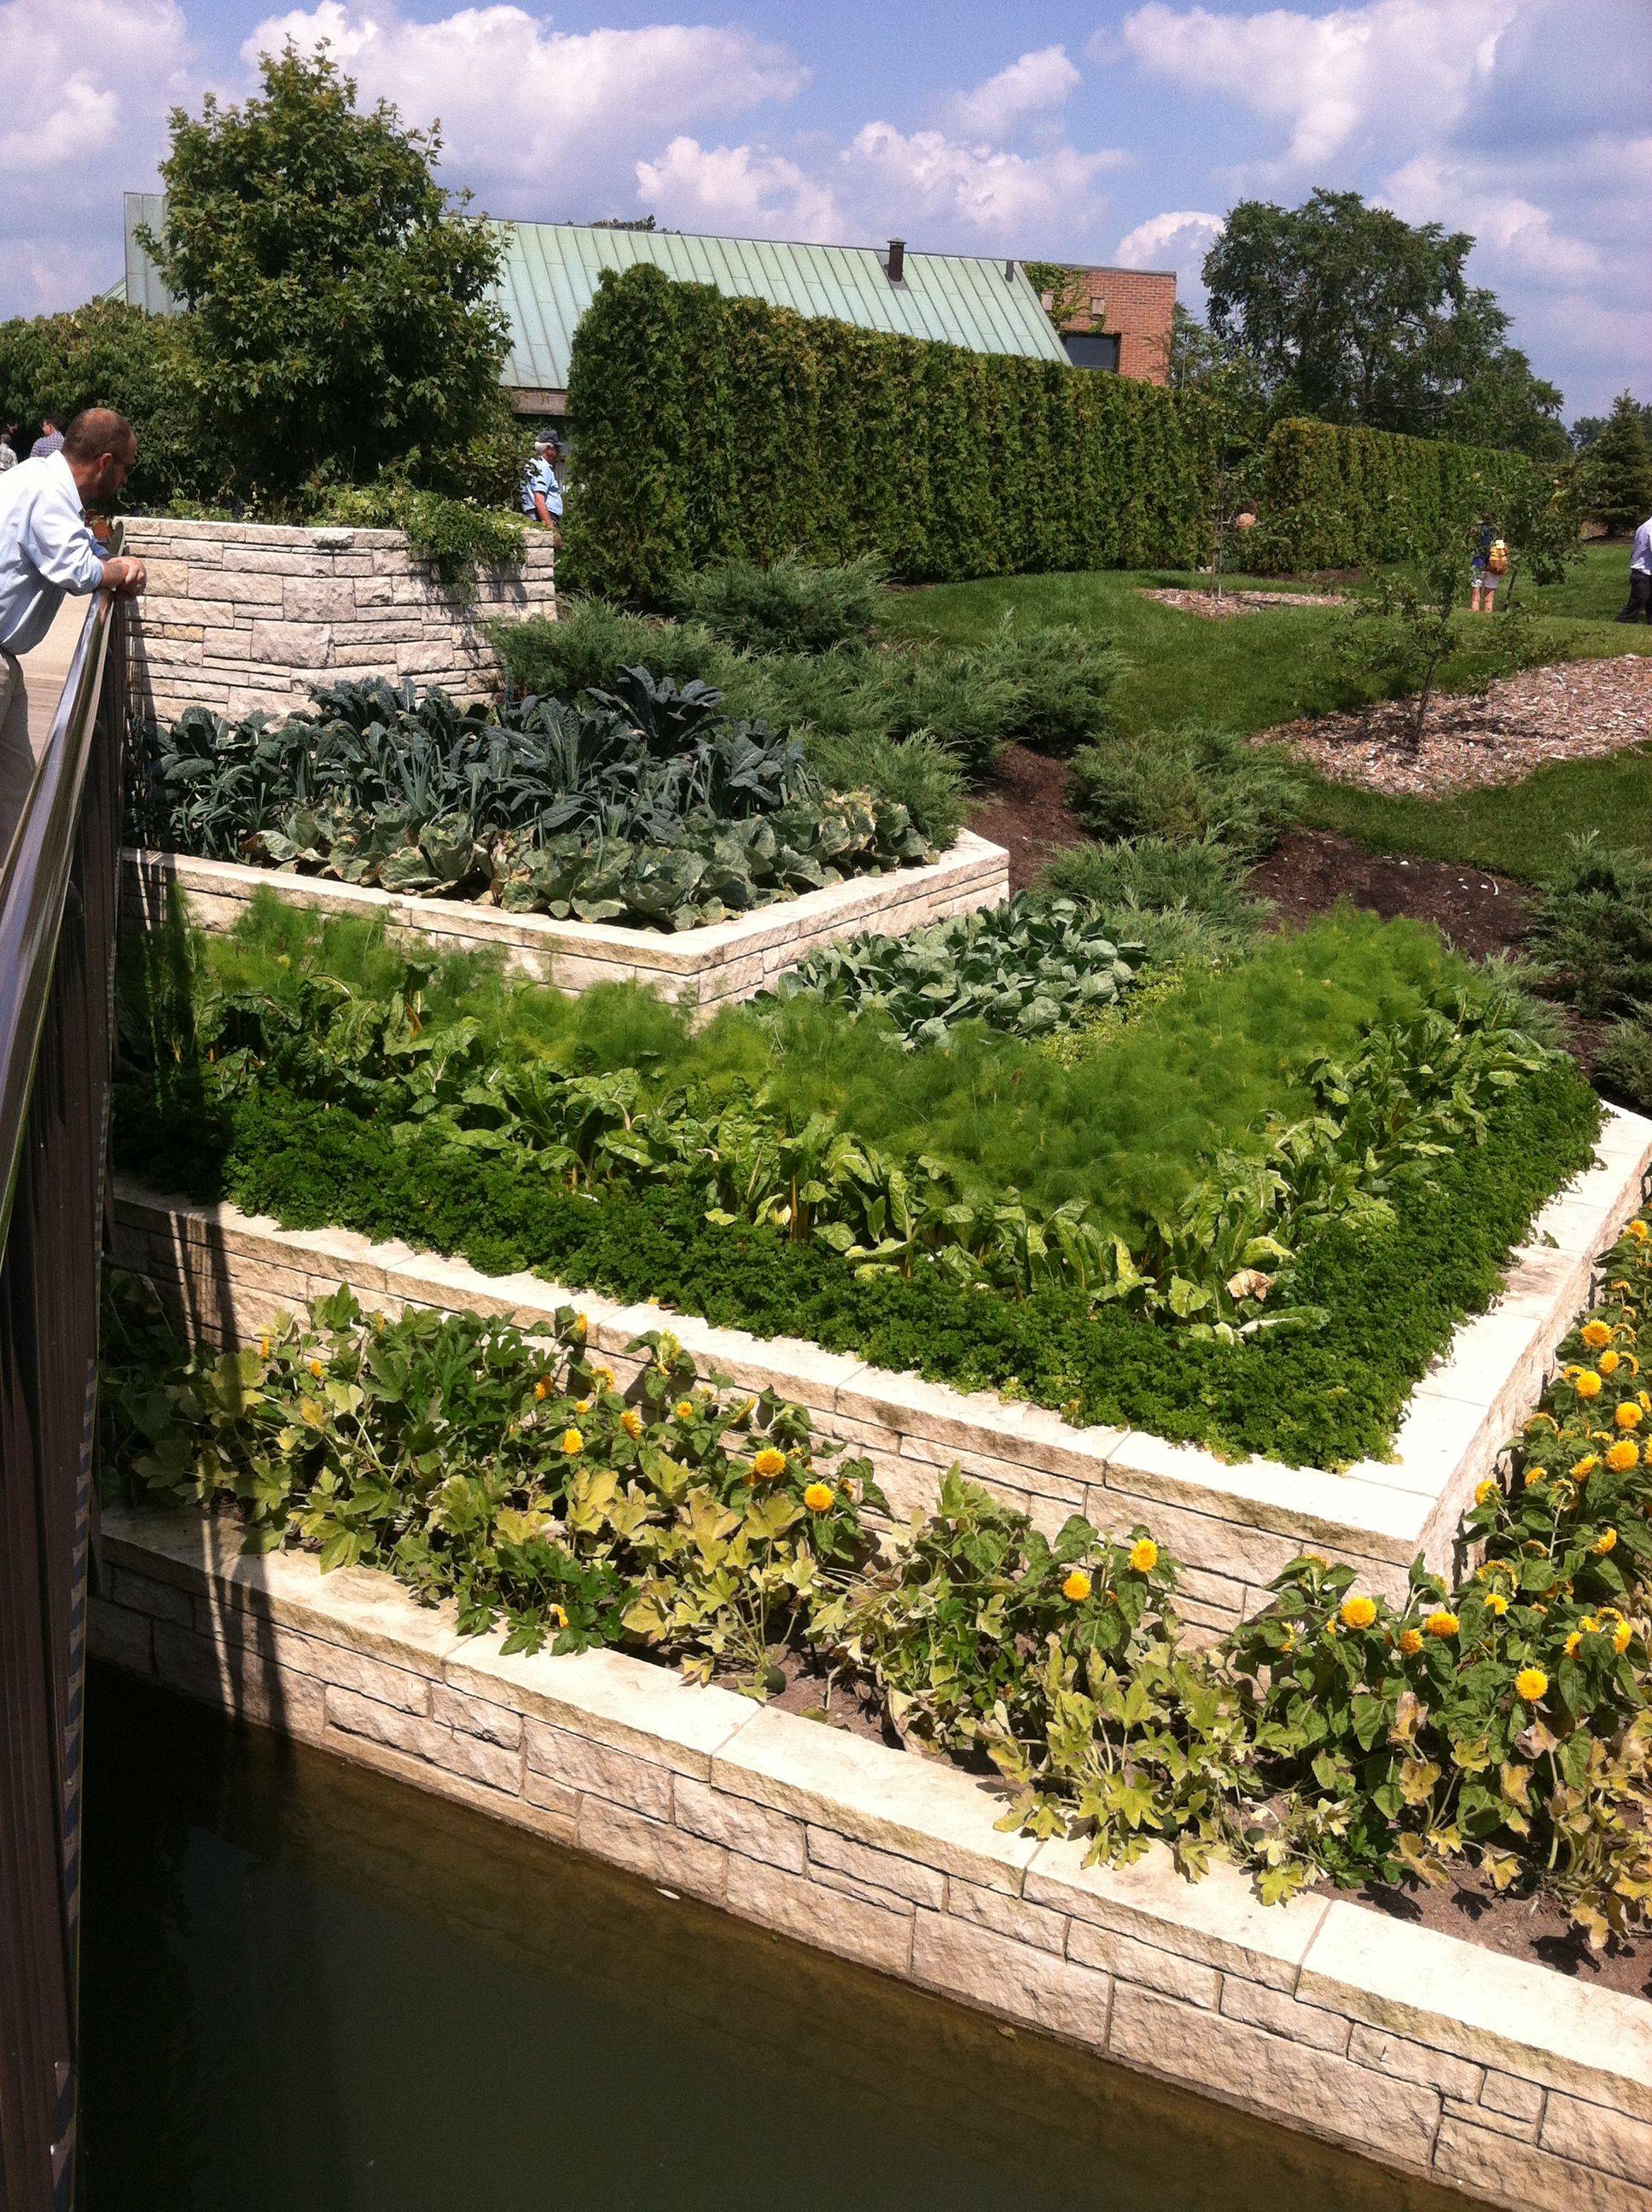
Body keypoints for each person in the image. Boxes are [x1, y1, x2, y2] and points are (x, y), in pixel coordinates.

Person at [1, 407, 147, 847]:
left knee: (17, 792)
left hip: (6, 662)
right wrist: (120, 570)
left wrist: (109, 565)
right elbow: (77, 570)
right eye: (126, 469)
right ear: (105, 463)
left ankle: (19, 903)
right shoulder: (47, 490)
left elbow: (82, 548)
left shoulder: (42, 479)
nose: (124, 481)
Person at [519, 431, 563, 547]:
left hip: (532, 516)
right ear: (548, 449)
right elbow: (539, 500)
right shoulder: (543, 468)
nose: (558, 453)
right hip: (543, 517)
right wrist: (553, 532)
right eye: (557, 449)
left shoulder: (531, 465)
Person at [1616, 509, 1652, 624]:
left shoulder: (1644, 526)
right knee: (1638, 601)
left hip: (1645, 572)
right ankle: (1624, 620)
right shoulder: (1650, 528)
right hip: (1643, 573)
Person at [1469, 521, 1508, 614]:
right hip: (1494, 565)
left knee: (1475, 596)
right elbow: (1502, 549)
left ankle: (1475, 616)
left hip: (1478, 563)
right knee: (1489, 599)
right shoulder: (1498, 530)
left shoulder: (1478, 529)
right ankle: (1487, 614)